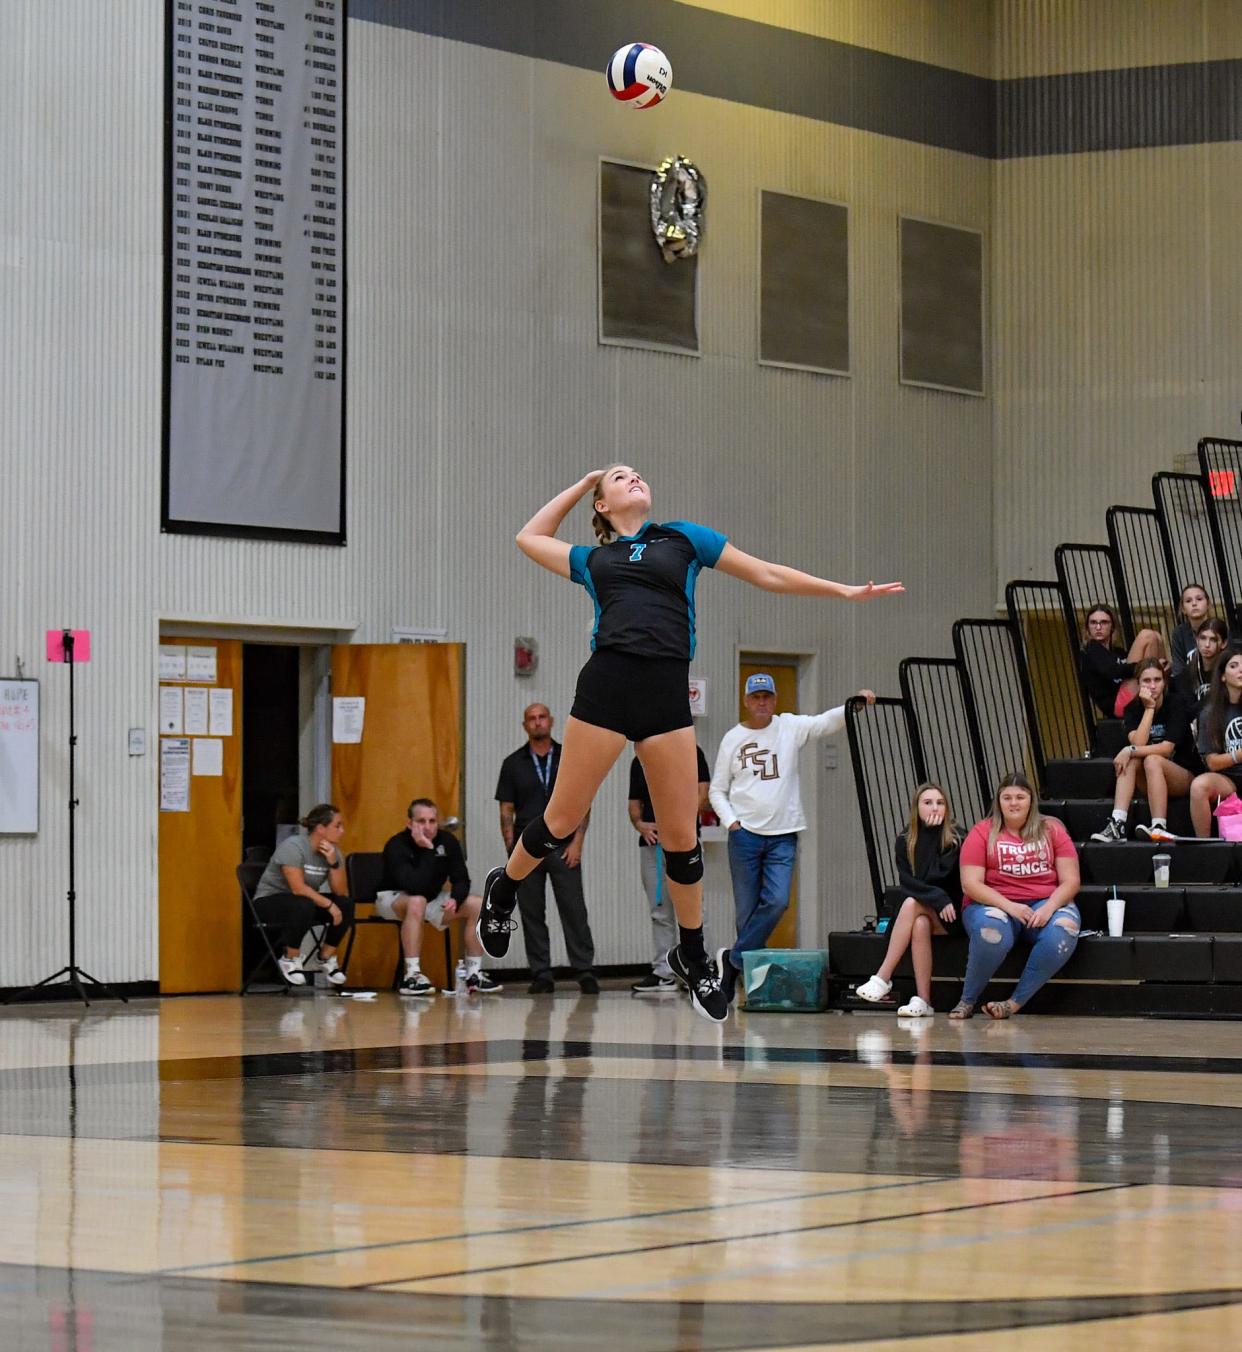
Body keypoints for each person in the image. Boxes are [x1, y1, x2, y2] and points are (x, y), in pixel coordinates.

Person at [477, 465, 903, 1024]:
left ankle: (694, 953)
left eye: (636, 475)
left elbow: (767, 574)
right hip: (606, 685)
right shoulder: (592, 560)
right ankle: (504, 887)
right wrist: (584, 484)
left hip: (664, 691)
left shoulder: (682, 538)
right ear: (602, 506)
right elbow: (528, 538)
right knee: (561, 819)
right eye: (620, 479)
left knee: (682, 838)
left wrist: (840, 590)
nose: (633, 479)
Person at [710, 677, 876, 1006]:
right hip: (744, 836)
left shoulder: (789, 727)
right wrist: (732, 823)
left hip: (783, 834)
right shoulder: (733, 738)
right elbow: (717, 789)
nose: (761, 703)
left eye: (767, 697)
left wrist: (853, 704)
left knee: (776, 901)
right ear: (746, 701)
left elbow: (823, 722)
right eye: (755, 697)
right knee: (746, 911)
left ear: (774, 699)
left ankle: (731, 961)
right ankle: (748, 986)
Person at [950, 773, 1080, 1020]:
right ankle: (967, 1001)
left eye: (1020, 797)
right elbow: (970, 885)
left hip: (1044, 902)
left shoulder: (1052, 829)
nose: (1013, 803)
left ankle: (1013, 1003)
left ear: (1031, 800)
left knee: (1066, 928)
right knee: (992, 933)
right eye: (1007, 797)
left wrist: (1050, 907)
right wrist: (1011, 907)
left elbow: (1071, 881)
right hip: (994, 902)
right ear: (998, 801)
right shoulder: (982, 832)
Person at [495, 703, 597, 994]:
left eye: (542, 717)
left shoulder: (568, 758)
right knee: (531, 912)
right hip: (527, 849)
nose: (537, 722)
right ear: (524, 725)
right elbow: (506, 810)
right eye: (531, 718)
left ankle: (585, 970)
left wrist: (578, 842)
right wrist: (512, 852)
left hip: (564, 846)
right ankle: (541, 973)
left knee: (574, 910)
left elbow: (583, 801)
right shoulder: (512, 763)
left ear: (551, 721)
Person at [855, 783, 961, 1017]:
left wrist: (939, 898)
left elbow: (937, 878)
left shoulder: (956, 838)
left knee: (912, 903)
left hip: (952, 912)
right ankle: (924, 1000)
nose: (935, 808)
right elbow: (910, 881)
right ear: (916, 808)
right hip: (929, 908)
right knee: (918, 921)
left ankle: (883, 976)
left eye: (940, 803)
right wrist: (926, 839)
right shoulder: (906, 840)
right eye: (928, 803)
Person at [377, 798, 500, 997]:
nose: (427, 827)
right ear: (410, 824)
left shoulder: (448, 842)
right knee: (417, 901)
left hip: (430, 898)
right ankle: (412, 975)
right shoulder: (397, 845)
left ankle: (474, 974)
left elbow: (461, 879)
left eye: (432, 821)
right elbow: (414, 886)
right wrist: (427, 850)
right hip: (394, 897)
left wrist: (456, 899)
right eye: (421, 821)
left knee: (478, 904)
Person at [629, 745, 711, 994]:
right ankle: (664, 971)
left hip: (683, 841)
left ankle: (697, 968)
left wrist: (680, 822)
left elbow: (703, 793)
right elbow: (634, 805)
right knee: (659, 908)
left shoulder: (691, 751)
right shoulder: (638, 761)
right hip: (653, 846)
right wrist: (640, 825)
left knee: (692, 907)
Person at [1089, 660, 1197, 844]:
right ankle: (1118, 823)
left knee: (1151, 759)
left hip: (1183, 775)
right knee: (1132, 760)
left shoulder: (1176, 703)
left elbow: (1166, 748)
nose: (1153, 686)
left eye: (1157, 680)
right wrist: (1149, 709)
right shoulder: (1132, 708)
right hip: (1152, 780)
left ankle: (1159, 827)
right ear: (1138, 684)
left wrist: (1129, 749)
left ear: (1165, 682)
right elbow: (1138, 742)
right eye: (1146, 681)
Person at [252, 803, 355, 987]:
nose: (342, 831)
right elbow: (298, 888)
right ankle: (289, 959)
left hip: (301, 904)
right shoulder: (294, 846)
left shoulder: (333, 852)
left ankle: (324, 958)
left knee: (345, 904)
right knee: (304, 903)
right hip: (269, 902)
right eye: (337, 826)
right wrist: (329, 905)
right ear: (321, 828)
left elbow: (340, 892)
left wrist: (333, 863)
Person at [1077, 604, 1167, 720]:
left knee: (1157, 637)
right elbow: (1113, 671)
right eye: (1093, 623)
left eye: (1104, 622)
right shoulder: (1091, 649)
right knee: (1147, 636)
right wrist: (1147, 667)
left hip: (1131, 694)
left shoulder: (1117, 652)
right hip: (1118, 705)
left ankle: (1160, 695)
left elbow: (1127, 669)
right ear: (1088, 627)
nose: (1098, 627)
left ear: (1113, 626)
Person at [1189, 651, 1242, 837]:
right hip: (1228, 780)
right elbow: (1211, 762)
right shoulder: (1210, 713)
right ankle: (1205, 848)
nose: (1240, 671)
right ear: (1222, 676)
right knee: (1199, 785)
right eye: (1234, 666)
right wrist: (1239, 755)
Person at [1175, 617, 1228, 710]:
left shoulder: (1229, 670)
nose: (1207, 645)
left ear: (1224, 643)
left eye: (1213, 640)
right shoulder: (1186, 675)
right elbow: (1188, 712)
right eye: (1203, 638)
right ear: (1197, 640)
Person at [1169, 583, 1219, 679]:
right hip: (1190, 686)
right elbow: (1178, 670)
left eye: (1199, 599)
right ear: (1183, 609)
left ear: (1208, 604)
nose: (1194, 603)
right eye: (1188, 601)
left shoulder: (1220, 628)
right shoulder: (1179, 633)